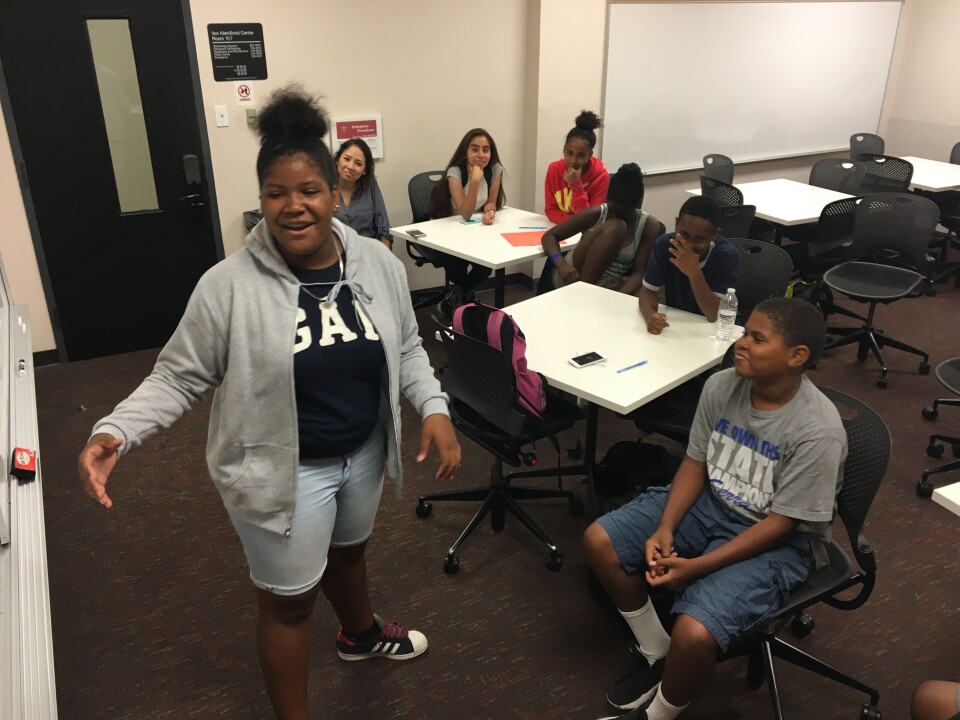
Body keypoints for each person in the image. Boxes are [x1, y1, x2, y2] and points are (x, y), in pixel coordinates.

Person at [77, 86, 461, 720]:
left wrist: (435, 407)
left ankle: (359, 636)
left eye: (308, 190)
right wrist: (117, 429)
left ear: (336, 194)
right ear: (260, 200)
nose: (293, 206)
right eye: (275, 193)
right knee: (289, 603)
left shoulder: (377, 264)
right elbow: (177, 376)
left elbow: (411, 346)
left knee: (350, 552)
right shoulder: (226, 286)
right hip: (280, 471)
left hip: (362, 451)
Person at [584, 297, 847, 719]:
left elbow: (784, 523)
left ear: (797, 356)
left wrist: (700, 566)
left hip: (779, 539)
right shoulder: (722, 385)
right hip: (713, 500)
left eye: (756, 338)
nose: (740, 343)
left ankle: (657, 716)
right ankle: (657, 651)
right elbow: (695, 461)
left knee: (694, 631)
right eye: (744, 332)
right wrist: (665, 527)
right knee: (600, 541)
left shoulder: (818, 431)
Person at [539, 163, 660, 293]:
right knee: (617, 227)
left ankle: (587, 296)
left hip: (609, 284)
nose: (613, 215)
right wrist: (561, 264)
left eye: (622, 214)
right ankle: (583, 292)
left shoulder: (649, 226)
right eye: (612, 210)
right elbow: (549, 236)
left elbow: (639, 272)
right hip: (573, 276)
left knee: (643, 298)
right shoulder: (596, 213)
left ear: (639, 204)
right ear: (607, 199)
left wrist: (618, 296)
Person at [427, 128, 506, 317]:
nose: (481, 155)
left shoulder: (495, 169)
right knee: (455, 264)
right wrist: (475, 181)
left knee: (488, 263)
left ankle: (458, 295)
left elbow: (490, 202)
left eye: (486, 150)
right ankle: (463, 296)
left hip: (473, 230)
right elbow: (466, 213)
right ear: (465, 152)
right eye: (475, 149)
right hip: (445, 228)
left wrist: (490, 212)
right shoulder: (455, 172)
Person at [638, 195, 740, 335]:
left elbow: (714, 315)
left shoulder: (726, 256)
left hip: (714, 331)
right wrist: (650, 315)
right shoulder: (664, 245)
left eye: (700, 239)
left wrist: (694, 271)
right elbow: (648, 291)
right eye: (684, 235)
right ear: (676, 224)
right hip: (680, 323)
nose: (689, 245)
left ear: (715, 234)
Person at [543, 110, 610, 225]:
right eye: (569, 153)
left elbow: (589, 221)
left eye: (581, 155)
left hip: (585, 236)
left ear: (590, 155)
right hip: (561, 230)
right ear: (564, 149)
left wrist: (576, 186)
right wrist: (574, 224)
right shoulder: (553, 169)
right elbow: (550, 211)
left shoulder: (602, 177)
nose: (573, 161)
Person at [332, 137, 393, 249]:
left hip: (368, 252)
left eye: (358, 164)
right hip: (335, 255)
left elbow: (384, 228)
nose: (350, 167)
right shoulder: (324, 186)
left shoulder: (370, 184)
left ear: (364, 170)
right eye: (346, 159)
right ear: (337, 160)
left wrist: (384, 259)